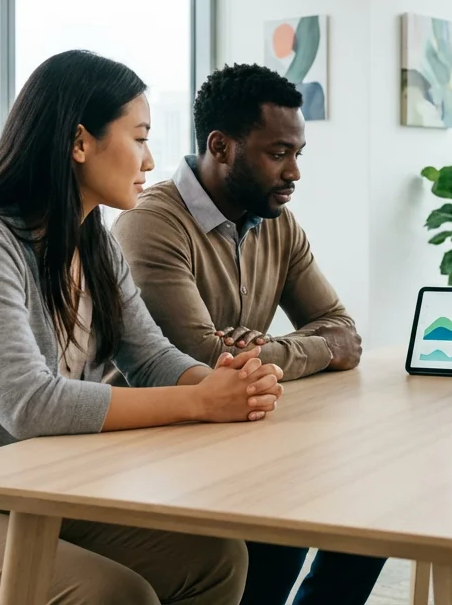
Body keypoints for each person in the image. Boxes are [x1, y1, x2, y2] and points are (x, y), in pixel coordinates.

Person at [0, 50, 285, 605]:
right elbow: (29, 403)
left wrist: (225, 384)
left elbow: (150, 358)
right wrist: (200, 404)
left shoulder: (93, 240)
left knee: (213, 559)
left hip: (24, 497)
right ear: (79, 143)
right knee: (112, 595)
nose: (149, 161)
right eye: (139, 137)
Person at [112, 62, 383, 605]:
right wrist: (304, 349)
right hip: (155, 443)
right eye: (278, 153)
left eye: (297, 154)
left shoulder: (279, 223)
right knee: (290, 515)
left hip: (242, 427)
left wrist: (265, 350)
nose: (294, 174)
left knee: (372, 500)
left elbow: (343, 333)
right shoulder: (151, 222)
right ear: (221, 146)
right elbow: (205, 362)